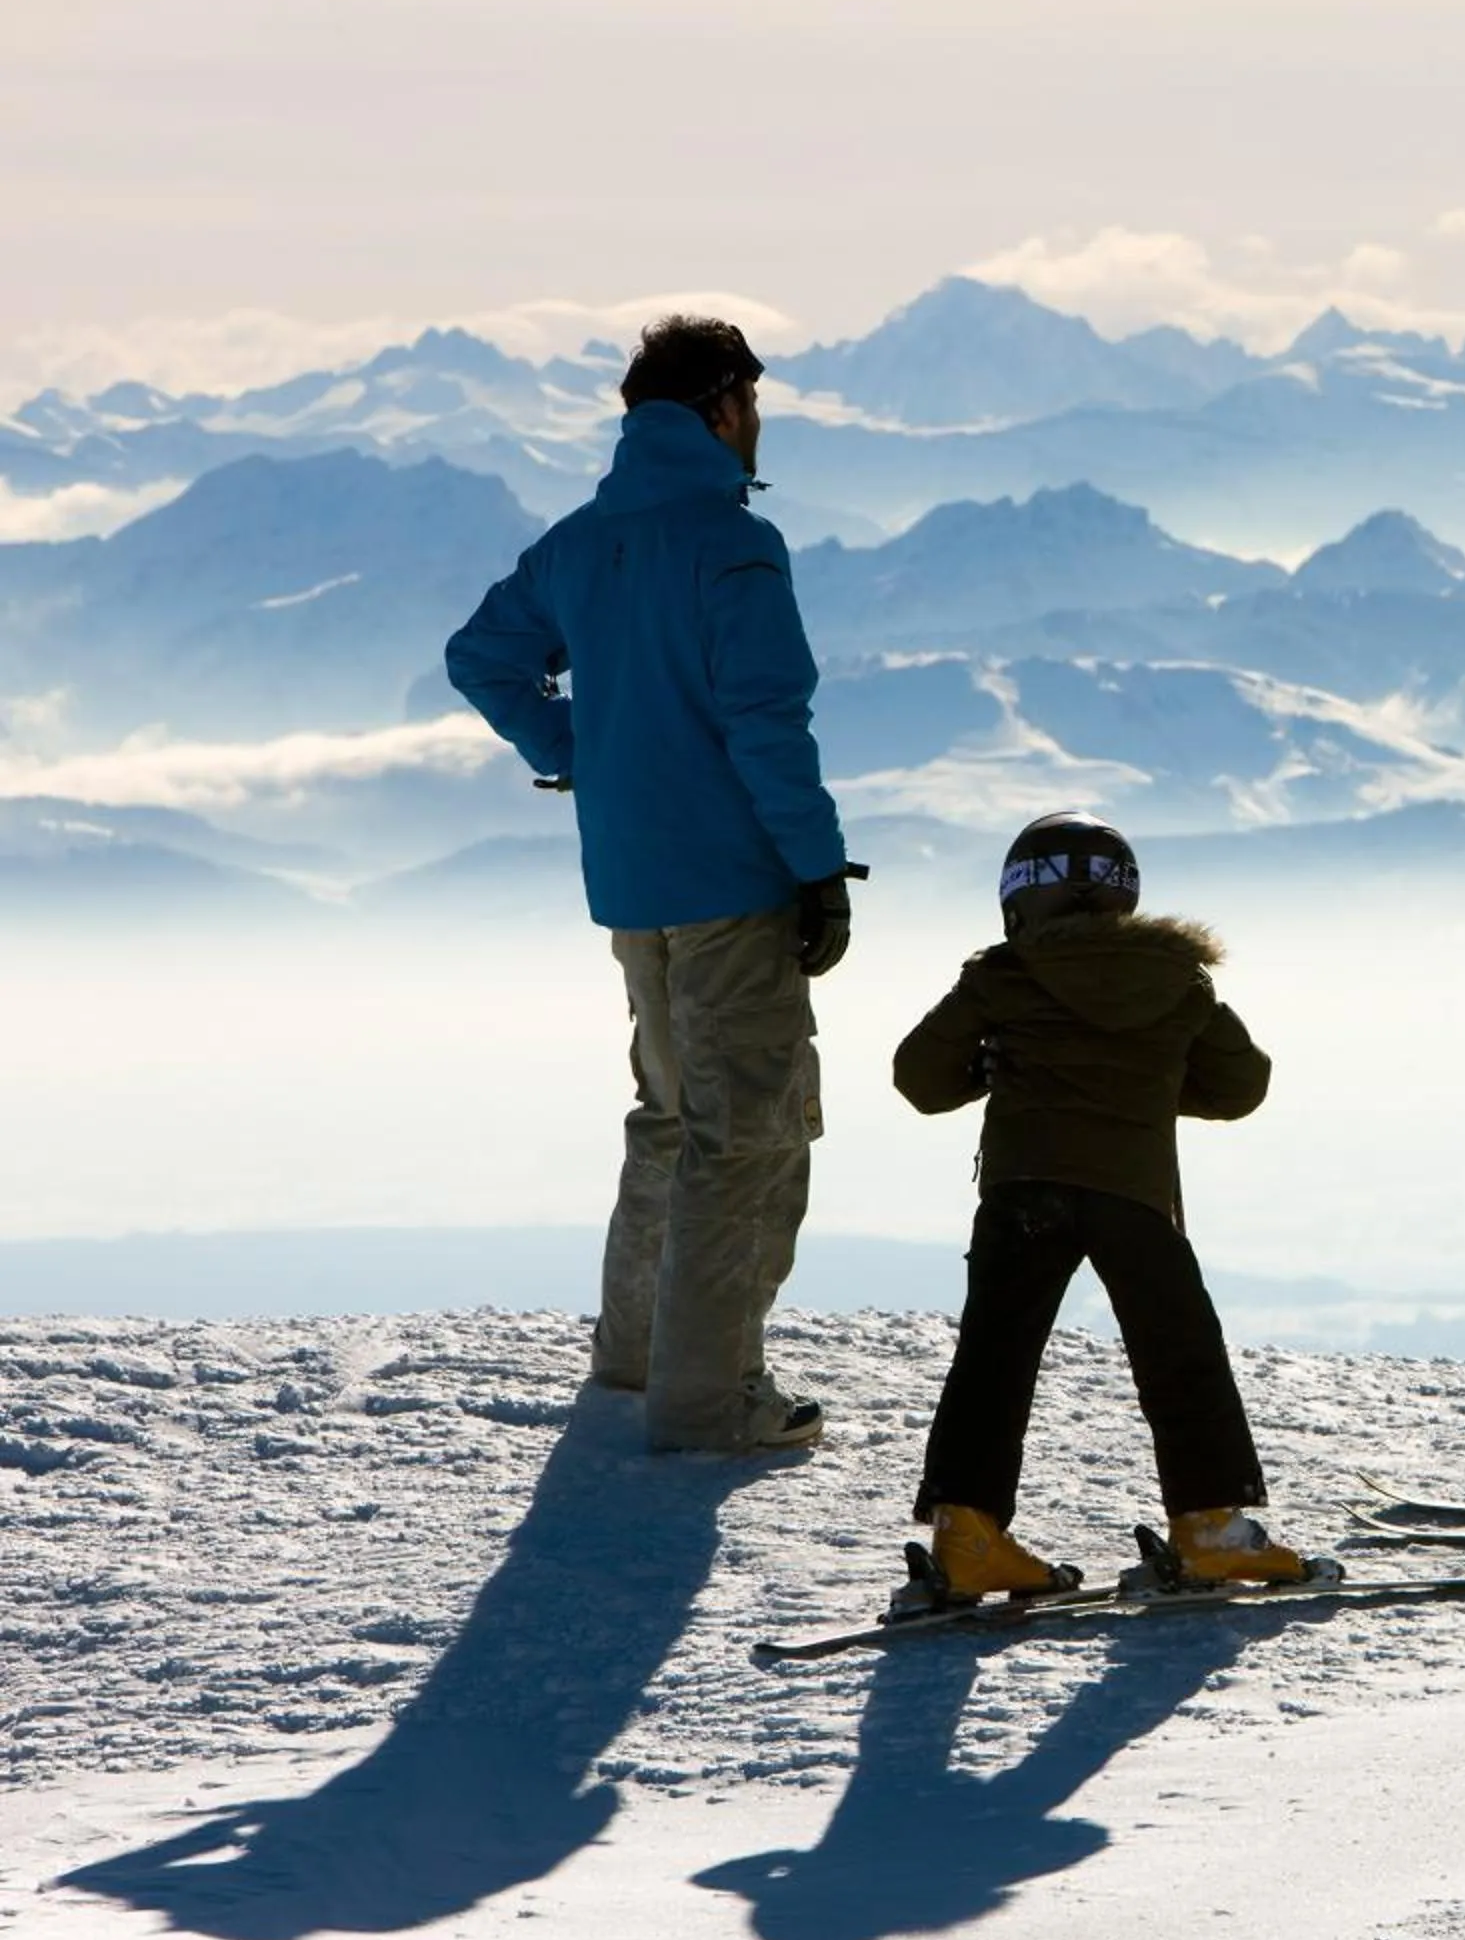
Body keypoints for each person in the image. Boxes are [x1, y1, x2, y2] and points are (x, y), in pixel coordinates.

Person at [445, 315, 856, 1453]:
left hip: (632, 881)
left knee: (670, 1112)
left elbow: (479, 654)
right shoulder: (731, 545)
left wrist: (580, 747)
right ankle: (707, 1396)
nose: (759, 426)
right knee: (751, 1131)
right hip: (732, 880)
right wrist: (818, 872)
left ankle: (636, 1355)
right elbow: (768, 724)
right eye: (755, 405)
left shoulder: (582, 543)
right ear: (723, 408)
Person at [890, 810, 1312, 1598]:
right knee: (1178, 1352)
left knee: (995, 1355)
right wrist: (1148, 1089)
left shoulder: (1000, 977)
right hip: (1133, 1193)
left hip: (1024, 1190)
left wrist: (989, 1070)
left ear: (1018, 901)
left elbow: (919, 1077)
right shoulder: (1177, 982)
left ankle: (969, 1537)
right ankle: (1212, 1531)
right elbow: (1241, 1086)